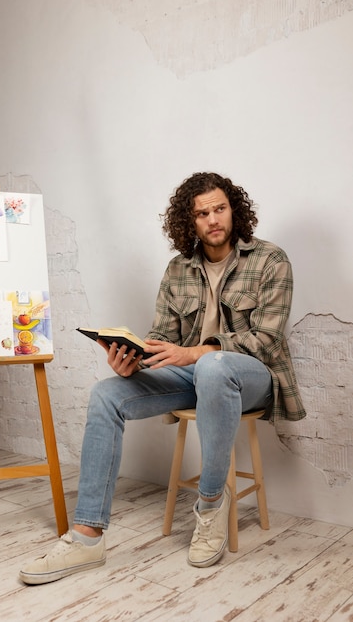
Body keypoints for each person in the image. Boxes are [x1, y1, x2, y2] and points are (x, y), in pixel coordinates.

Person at [19, 171, 306, 585]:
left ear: (234, 210)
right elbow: (162, 337)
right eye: (202, 213)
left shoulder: (270, 260)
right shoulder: (178, 269)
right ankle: (87, 537)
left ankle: (210, 505)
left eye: (220, 209)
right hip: (193, 374)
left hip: (251, 378)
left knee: (213, 365)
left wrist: (196, 352)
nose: (213, 220)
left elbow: (268, 339)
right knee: (106, 394)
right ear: (189, 222)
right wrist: (133, 359)